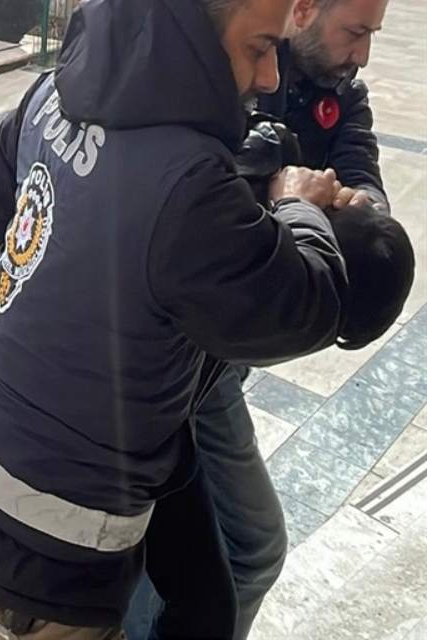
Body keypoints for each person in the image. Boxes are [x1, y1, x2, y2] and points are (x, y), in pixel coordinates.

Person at [0, 0, 351, 636]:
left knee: (207, 589)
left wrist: (79, 271)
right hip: (48, 567)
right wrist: (299, 208)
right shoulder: (190, 180)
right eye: (260, 47)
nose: (270, 78)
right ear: (193, 31)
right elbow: (308, 307)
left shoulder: (48, 94)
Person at [125, 1, 393, 637]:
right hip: (177, 344)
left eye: (372, 36)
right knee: (250, 546)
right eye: (355, 32)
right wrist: (284, 200)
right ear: (304, 9)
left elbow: (363, 179)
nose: (362, 55)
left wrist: (355, 211)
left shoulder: (342, 95)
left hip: (225, 350)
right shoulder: (232, 70)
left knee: (200, 544)